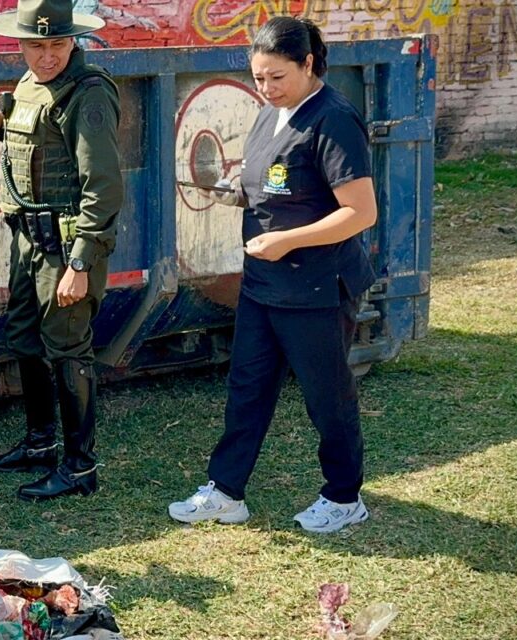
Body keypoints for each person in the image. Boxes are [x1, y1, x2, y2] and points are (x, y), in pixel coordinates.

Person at [168, 16, 379, 534]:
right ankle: (226, 491)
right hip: (264, 284)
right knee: (247, 386)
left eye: (277, 77)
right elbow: (280, 183)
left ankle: (344, 496)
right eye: (258, 78)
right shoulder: (272, 113)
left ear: (309, 65)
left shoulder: (334, 119)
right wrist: (235, 190)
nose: (266, 88)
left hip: (316, 287)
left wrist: (287, 239)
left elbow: (360, 211)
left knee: (327, 396)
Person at [0, 0, 124, 501]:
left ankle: (79, 468)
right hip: (27, 237)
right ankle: (40, 443)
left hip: (65, 244)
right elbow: (38, 148)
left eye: (57, 43)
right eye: (36, 44)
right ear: (21, 42)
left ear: (73, 39)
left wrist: (81, 262)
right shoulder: (29, 86)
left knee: (68, 347)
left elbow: (102, 185)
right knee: (25, 337)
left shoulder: (89, 92)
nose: (47, 55)